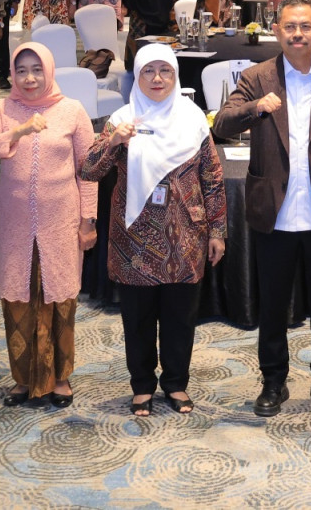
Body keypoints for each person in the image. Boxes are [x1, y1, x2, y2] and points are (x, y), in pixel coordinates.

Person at [213, 0, 311, 417]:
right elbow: (223, 123)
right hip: (274, 209)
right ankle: (273, 380)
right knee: (274, 302)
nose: (297, 34)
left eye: (305, 26)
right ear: (276, 31)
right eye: (289, 27)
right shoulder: (258, 76)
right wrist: (255, 107)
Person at [80, 44, 225, 416]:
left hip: (185, 236)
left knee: (180, 316)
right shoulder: (122, 120)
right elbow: (89, 171)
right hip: (135, 238)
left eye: (165, 71)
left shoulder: (194, 120)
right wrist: (114, 141)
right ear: (137, 76)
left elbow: (212, 180)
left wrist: (217, 231)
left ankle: (176, 384)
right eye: (148, 71)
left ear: (176, 76)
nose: (157, 79)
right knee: (138, 316)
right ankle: (142, 385)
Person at [0, 43, 97, 408]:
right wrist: (19, 131)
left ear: (49, 71)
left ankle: (59, 377)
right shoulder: (2, 108)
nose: (29, 78)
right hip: (13, 223)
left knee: (59, 298)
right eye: (21, 70)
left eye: (36, 70)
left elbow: (88, 171)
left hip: (61, 221)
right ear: (11, 74)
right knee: (18, 297)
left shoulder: (72, 111)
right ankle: (23, 377)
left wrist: (87, 221)